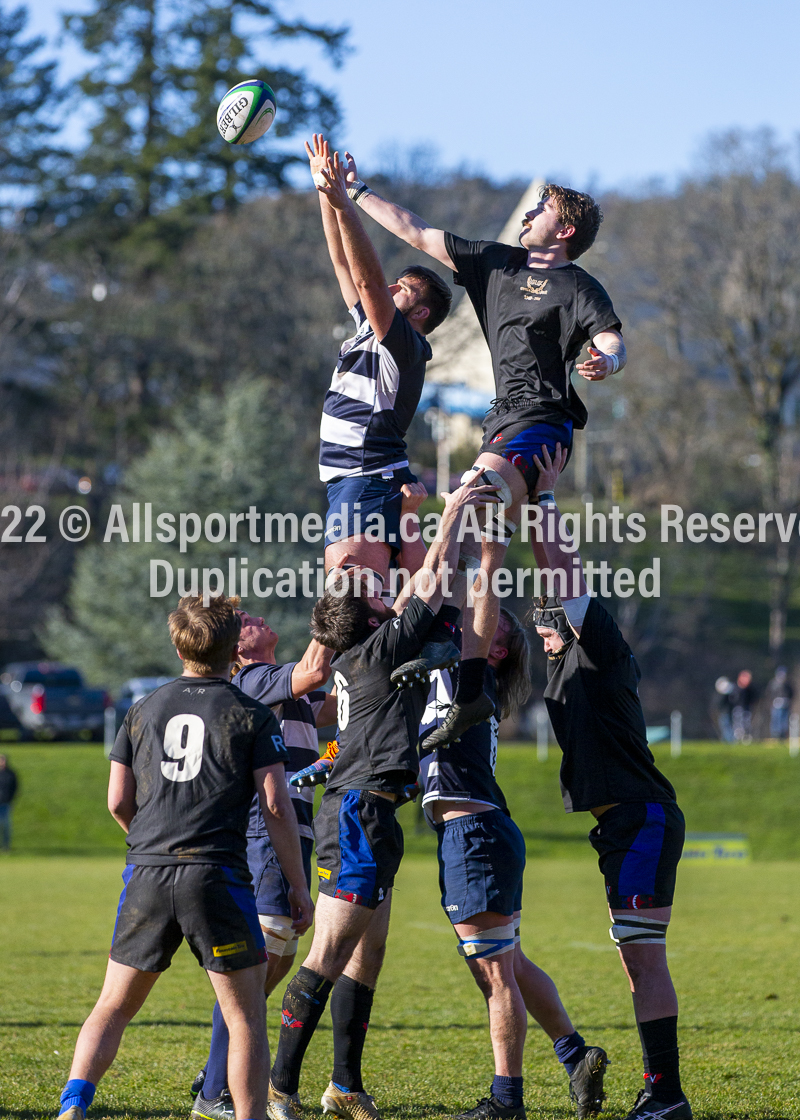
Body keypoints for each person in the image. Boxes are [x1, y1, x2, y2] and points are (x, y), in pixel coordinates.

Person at [331, 149, 625, 744]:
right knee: (472, 551)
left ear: (564, 230)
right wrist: (354, 192)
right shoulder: (492, 263)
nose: (532, 209)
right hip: (500, 424)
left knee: (463, 508)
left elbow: (612, 337)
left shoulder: (577, 285)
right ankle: (461, 679)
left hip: (541, 423)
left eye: (543, 206)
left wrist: (605, 359)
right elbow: (412, 229)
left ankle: (432, 646)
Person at [266, 474, 497, 1120]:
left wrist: (411, 515)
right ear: (370, 616)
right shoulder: (377, 648)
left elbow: (427, 585)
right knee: (329, 954)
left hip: (375, 809)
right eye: (376, 593)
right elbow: (431, 580)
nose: (385, 592)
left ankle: (343, 1084)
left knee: (369, 954)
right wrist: (451, 512)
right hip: (359, 814)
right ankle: (278, 1086)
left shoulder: (365, 650)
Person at [56, 595, 314, 1120]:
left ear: (179, 644)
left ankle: (72, 1105)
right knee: (243, 1018)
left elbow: (116, 802)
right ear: (230, 650)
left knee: (113, 1006)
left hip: (148, 871)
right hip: (216, 873)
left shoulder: (142, 708)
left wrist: (153, 844)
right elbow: (275, 806)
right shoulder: (250, 712)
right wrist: (296, 885)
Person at [528, 445, 690, 1120]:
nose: (538, 637)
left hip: (642, 818)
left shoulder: (600, 646)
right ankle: (662, 1090)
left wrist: (539, 504)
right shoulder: (561, 666)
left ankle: (666, 1095)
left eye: (543, 625)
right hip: (618, 826)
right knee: (634, 958)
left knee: (645, 959)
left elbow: (564, 573)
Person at [419, 611, 608, 1120]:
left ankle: (507, 1103)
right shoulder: (450, 671)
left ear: (495, 651)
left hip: (474, 835)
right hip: (478, 834)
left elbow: (468, 596)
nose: (469, 624)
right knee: (512, 964)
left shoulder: (472, 675)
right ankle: (575, 1056)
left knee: (495, 975)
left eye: (490, 626)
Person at [191, 617, 337, 1120]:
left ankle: (217, 1073)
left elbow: (335, 702)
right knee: (255, 963)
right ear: (237, 651)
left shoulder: (280, 683)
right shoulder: (253, 682)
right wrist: (336, 604)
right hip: (265, 829)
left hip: (293, 830)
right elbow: (317, 670)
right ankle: (214, 1091)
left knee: (261, 967)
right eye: (243, 622)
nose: (252, 618)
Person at [306, 134, 452, 606]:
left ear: (421, 314)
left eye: (404, 288)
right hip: (353, 480)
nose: (391, 287)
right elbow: (342, 263)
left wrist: (347, 205)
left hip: (367, 478)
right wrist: (326, 197)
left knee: (351, 605)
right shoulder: (372, 327)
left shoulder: (405, 345)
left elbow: (368, 278)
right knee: (356, 606)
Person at [765, 666, 793, 740]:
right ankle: (775, 735)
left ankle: (783, 735)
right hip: (776, 704)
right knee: (776, 720)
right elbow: (769, 693)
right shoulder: (773, 683)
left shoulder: (787, 684)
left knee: (784, 720)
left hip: (785, 704)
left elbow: (791, 693)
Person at [731, 670, 756, 744]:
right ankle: (737, 739)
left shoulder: (750, 689)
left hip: (747, 708)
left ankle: (746, 739)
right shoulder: (735, 687)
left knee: (746, 723)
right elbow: (732, 699)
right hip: (737, 708)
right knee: (738, 724)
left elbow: (753, 698)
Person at [0, 754, 18, 850]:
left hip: (5, 802)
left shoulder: (10, 773)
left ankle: (6, 846)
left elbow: (14, 787)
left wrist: (11, 799)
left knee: (6, 825)